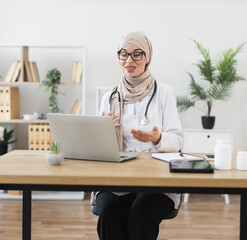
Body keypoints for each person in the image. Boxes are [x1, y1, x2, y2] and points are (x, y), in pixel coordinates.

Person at [92, 31, 184, 240]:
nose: (129, 60)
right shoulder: (110, 97)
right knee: (108, 211)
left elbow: (178, 140)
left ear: (148, 57)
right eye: (123, 54)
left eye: (136, 54)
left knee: (140, 213)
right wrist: (103, 131)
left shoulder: (164, 93)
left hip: (156, 178)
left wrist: (157, 138)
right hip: (118, 178)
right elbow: (99, 148)